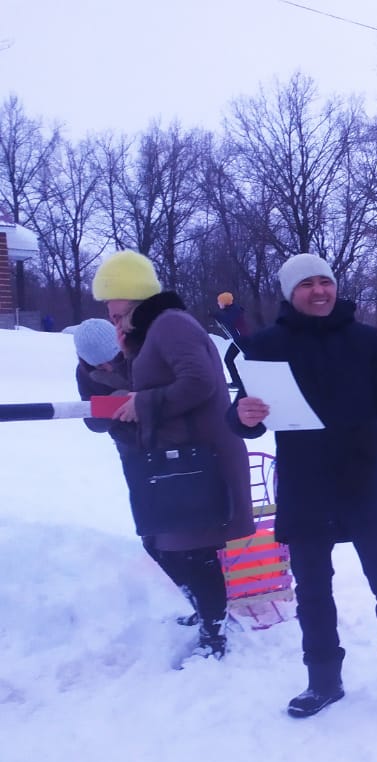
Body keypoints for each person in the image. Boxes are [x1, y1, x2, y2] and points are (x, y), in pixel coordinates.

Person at [228, 253, 377, 720]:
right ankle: (323, 680)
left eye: (325, 282)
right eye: (307, 284)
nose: (319, 291)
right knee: (314, 590)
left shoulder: (367, 340)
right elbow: (245, 414)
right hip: (305, 485)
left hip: (366, 479)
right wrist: (242, 415)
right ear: (289, 292)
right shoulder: (265, 345)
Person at [92, 251, 256, 658]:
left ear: (133, 297)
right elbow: (148, 379)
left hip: (202, 459)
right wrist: (124, 353)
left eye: (115, 310)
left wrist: (144, 403)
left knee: (192, 549)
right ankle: (207, 611)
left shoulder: (172, 325)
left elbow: (199, 382)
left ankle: (214, 634)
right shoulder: (151, 332)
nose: (112, 318)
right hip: (178, 459)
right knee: (161, 542)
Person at [72, 317, 198, 626]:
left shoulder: (144, 355)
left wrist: (139, 404)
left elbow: (177, 396)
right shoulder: (84, 372)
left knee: (191, 533)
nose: (105, 367)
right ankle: (196, 598)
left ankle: (211, 610)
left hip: (172, 449)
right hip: (133, 454)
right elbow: (92, 421)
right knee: (152, 537)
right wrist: (110, 408)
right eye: (97, 365)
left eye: (110, 359)